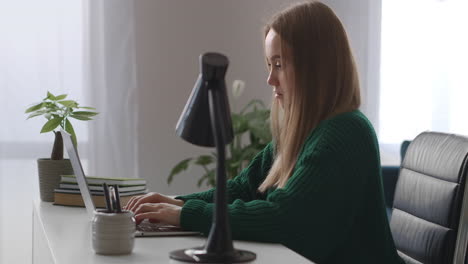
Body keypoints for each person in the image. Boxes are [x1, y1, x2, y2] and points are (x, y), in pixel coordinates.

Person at [125, 1, 405, 263]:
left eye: (279, 65)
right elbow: (245, 188)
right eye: (269, 65)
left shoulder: (345, 131)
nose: (270, 79)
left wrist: (185, 214)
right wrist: (173, 203)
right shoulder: (305, 132)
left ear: (315, 67)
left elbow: (286, 219)